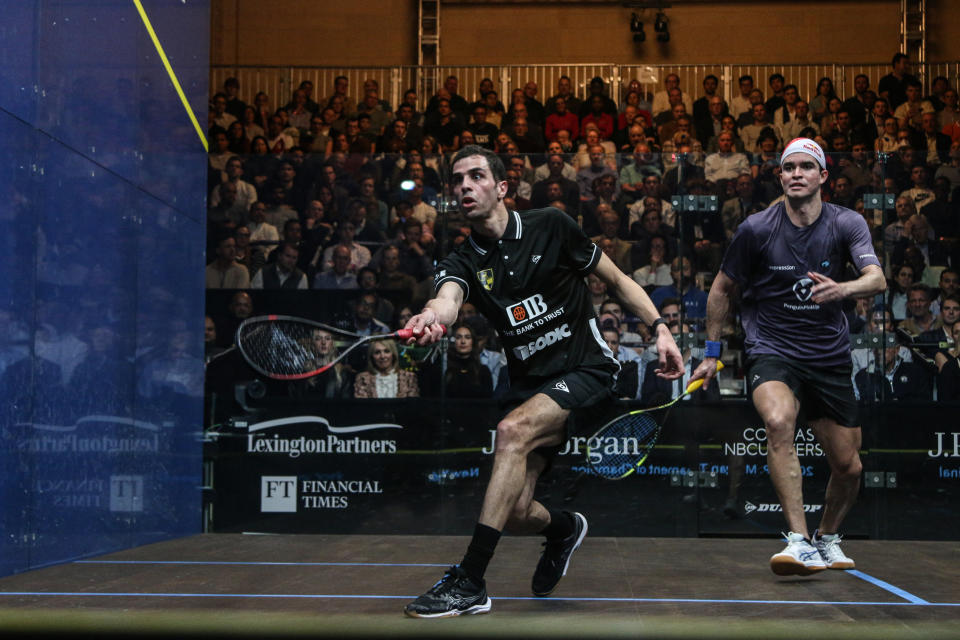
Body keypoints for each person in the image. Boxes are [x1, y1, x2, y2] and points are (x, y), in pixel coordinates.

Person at [402, 145, 683, 617]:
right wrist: (432, 317)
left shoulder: (551, 226)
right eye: (457, 181)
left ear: (502, 187)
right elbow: (447, 299)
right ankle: (563, 529)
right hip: (532, 390)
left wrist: (660, 328)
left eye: (476, 176)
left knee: (511, 431)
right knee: (513, 512)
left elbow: (616, 280)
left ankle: (470, 580)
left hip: (587, 370)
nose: (465, 186)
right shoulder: (462, 261)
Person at [691, 138, 886, 576]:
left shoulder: (846, 222)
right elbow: (722, 289)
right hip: (772, 350)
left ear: (823, 177)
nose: (796, 173)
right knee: (778, 421)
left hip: (829, 358)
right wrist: (710, 352)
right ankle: (798, 541)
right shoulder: (757, 229)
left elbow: (876, 279)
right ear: (779, 176)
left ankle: (827, 537)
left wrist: (844, 288)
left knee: (849, 466)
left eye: (805, 167)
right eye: (788, 167)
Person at [292, 328, 355, 399]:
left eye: (327, 338)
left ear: (332, 343)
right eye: (318, 339)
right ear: (312, 343)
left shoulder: (342, 373)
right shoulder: (303, 372)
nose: (323, 342)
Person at [353, 338, 419, 398]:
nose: (382, 356)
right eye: (377, 352)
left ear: (393, 354)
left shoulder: (409, 377)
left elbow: (412, 406)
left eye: (386, 351)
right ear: (371, 356)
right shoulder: (362, 378)